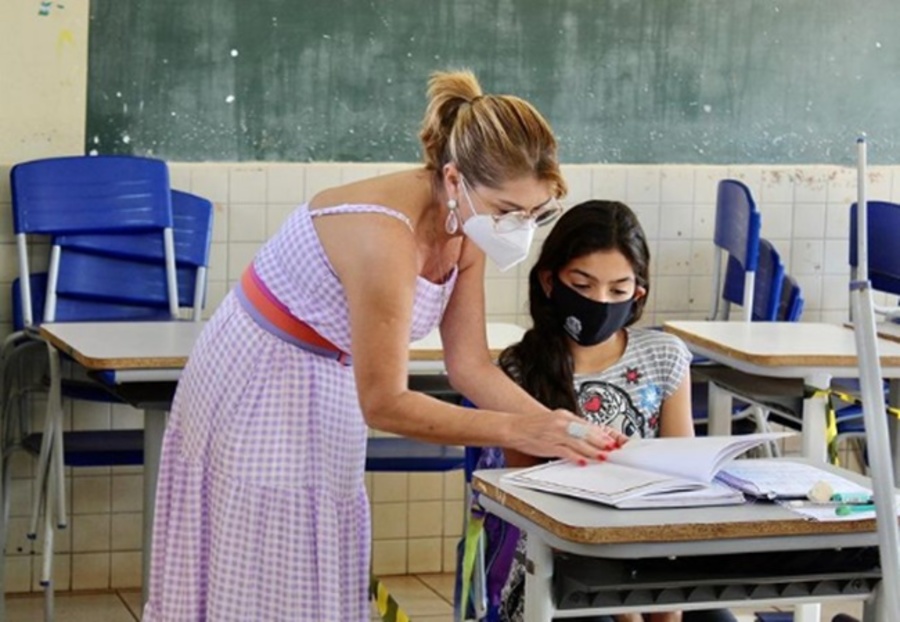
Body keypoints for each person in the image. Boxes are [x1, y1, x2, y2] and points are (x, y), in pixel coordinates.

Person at [142, 70, 628, 621]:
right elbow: (385, 403)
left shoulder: (467, 224)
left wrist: (563, 428)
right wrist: (523, 429)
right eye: (507, 210)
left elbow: (468, 365)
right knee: (263, 561)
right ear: (453, 179)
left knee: (320, 552)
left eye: (535, 213)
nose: (518, 227)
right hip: (257, 380)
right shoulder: (383, 235)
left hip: (327, 379)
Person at [474, 200, 736, 622]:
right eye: (582, 286)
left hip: (651, 550)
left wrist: (658, 592)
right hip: (552, 562)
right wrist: (626, 607)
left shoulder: (665, 356)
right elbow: (525, 504)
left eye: (617, 290)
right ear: (549, 281)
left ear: (638, 293)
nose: (599, 301)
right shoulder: (519, 370)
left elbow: (682, 478)